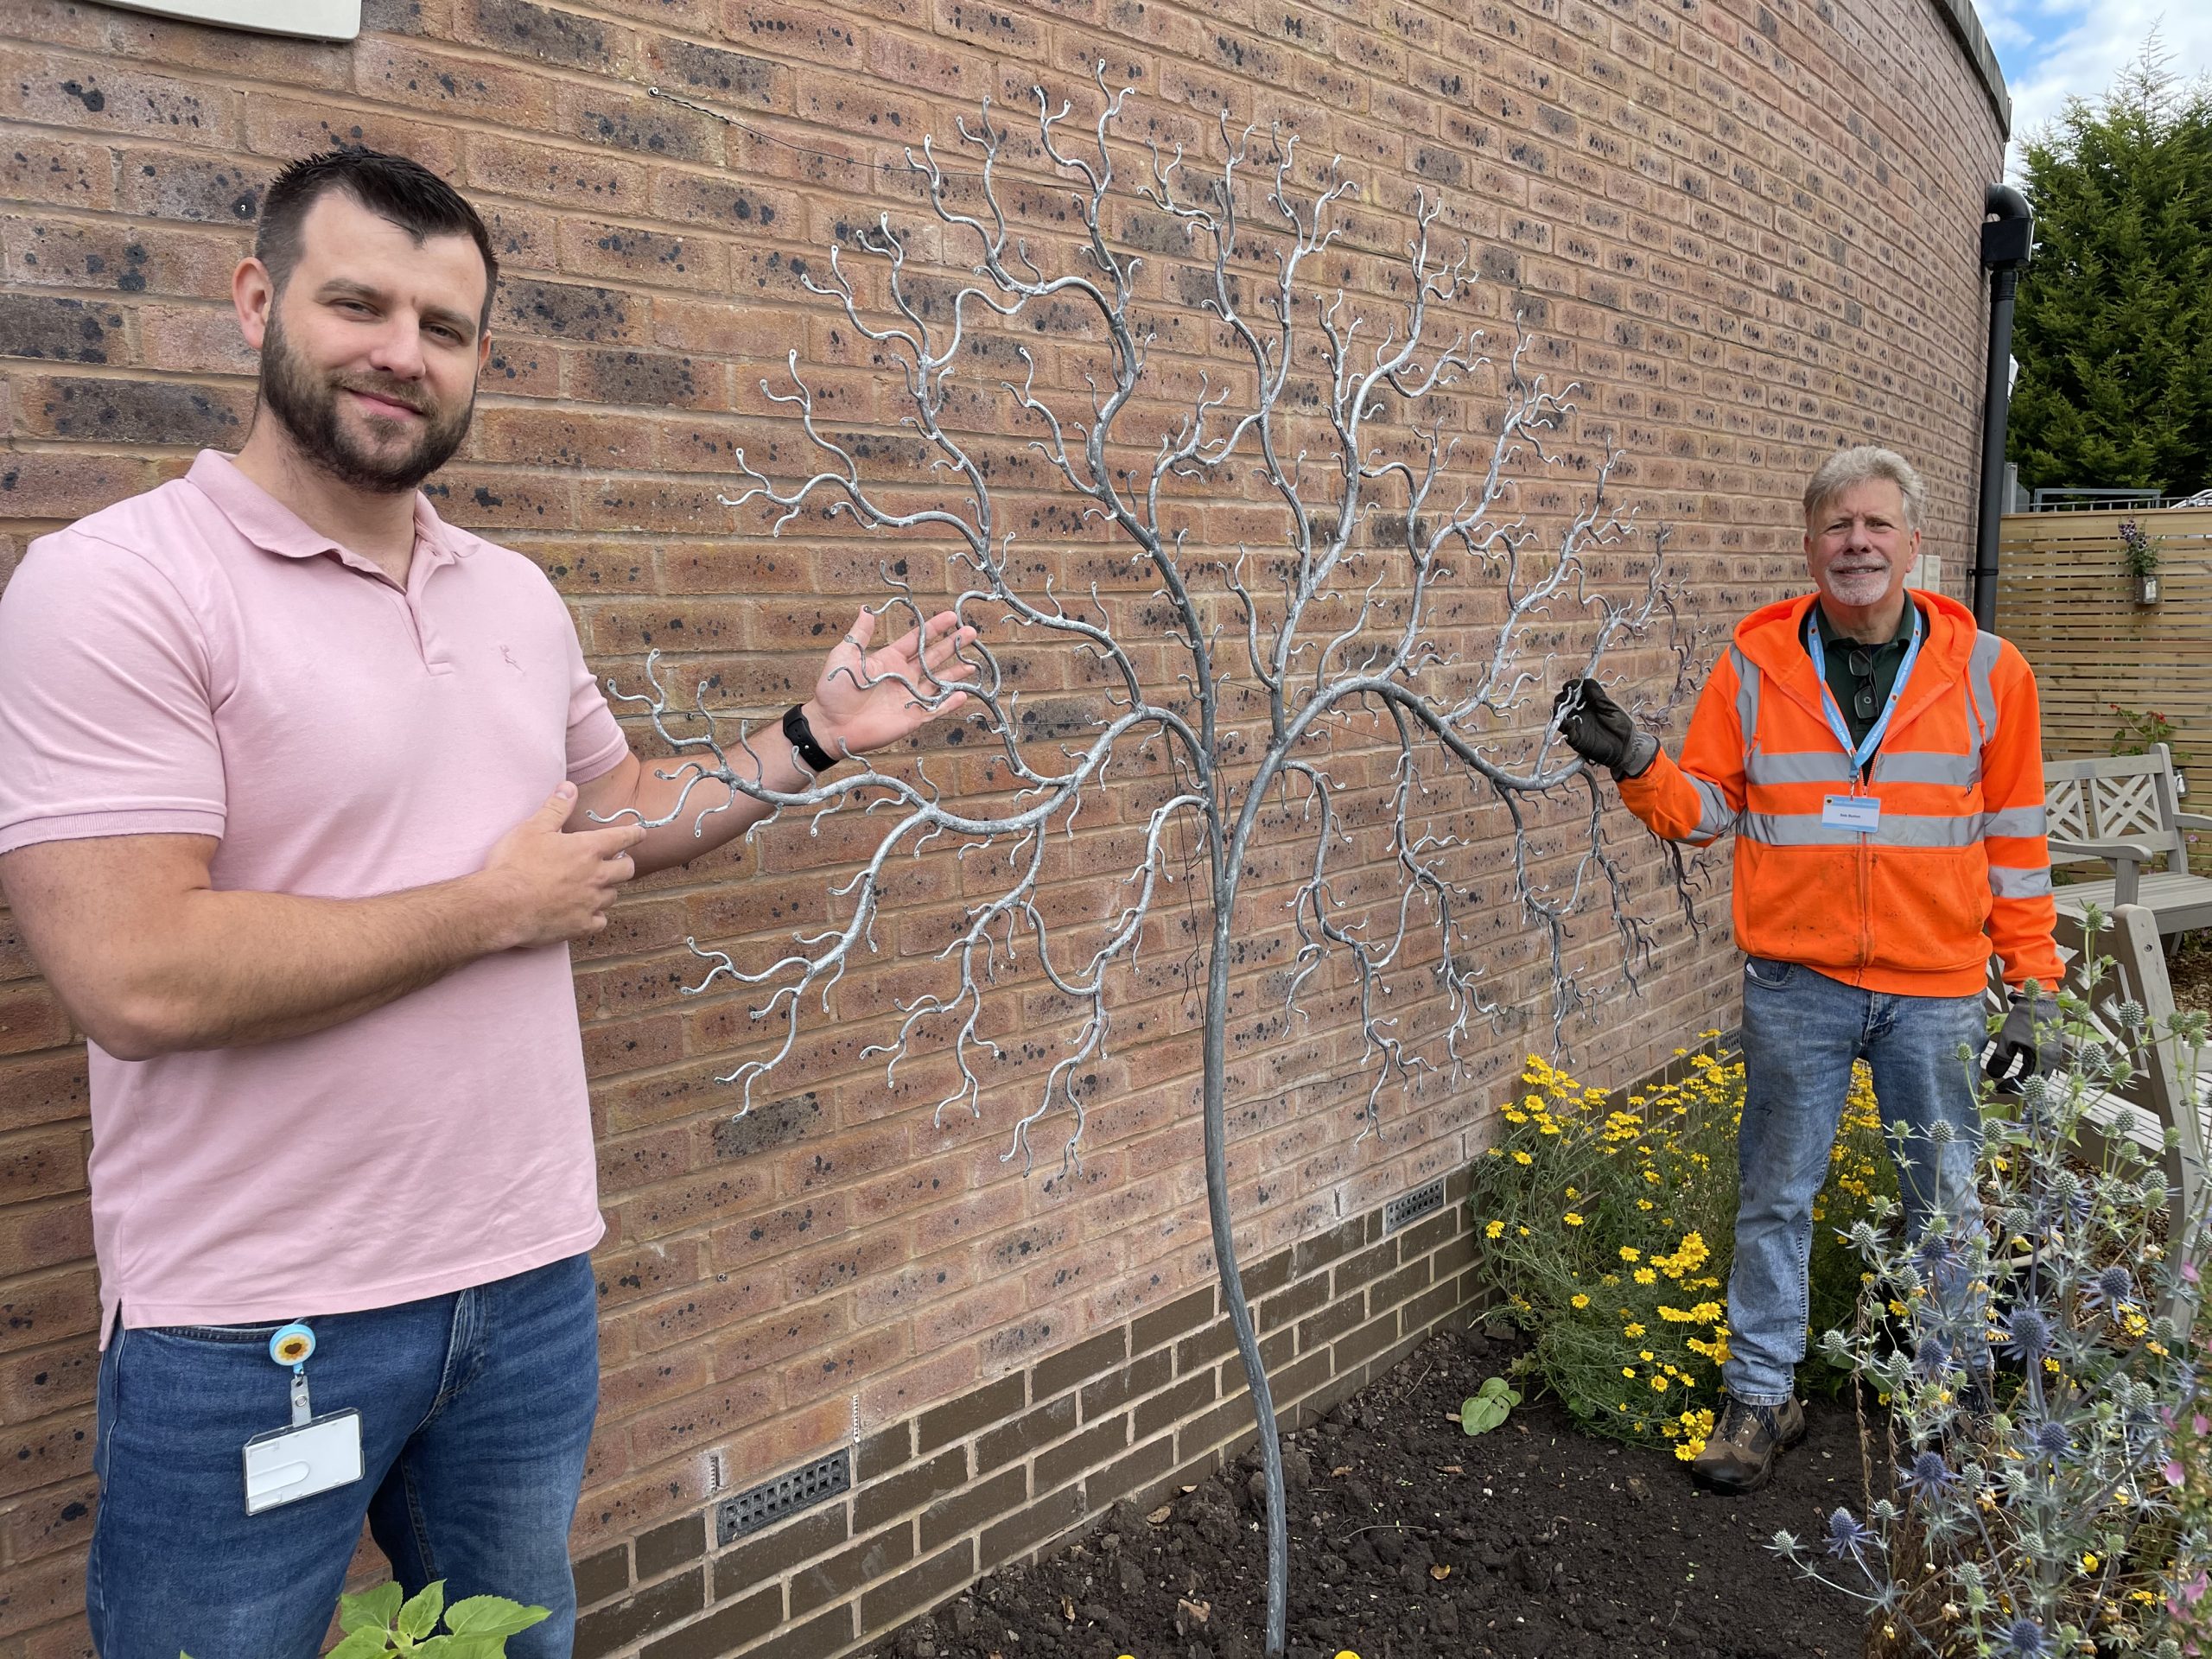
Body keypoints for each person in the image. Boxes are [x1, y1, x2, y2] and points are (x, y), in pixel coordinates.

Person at [0, 150, 975, 1659]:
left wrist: (807, 738)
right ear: (256, 301)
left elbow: (608, 820)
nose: (403, 351)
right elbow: (134, 972)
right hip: (258, 1328)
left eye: (444, 327)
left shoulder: (512, 594)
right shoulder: (116, 586)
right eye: (358, 303)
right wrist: (485, 908)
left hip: (521, 1292)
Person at [1554, 445, 2063, 1494]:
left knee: (1944, 1197)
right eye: (1837, 527)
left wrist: (2035, 987)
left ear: (1915, 543)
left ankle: (1945, 1390)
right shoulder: (1754, 662)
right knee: (1776, 1194)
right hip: (1798, 986)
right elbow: (1709, 809)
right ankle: (1762, 1393)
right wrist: (1640, 763)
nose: (1857, 544)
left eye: (1877, 526)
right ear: (1809, 544)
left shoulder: (1987, 672)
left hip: (1935, 986)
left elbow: (2015, 838)